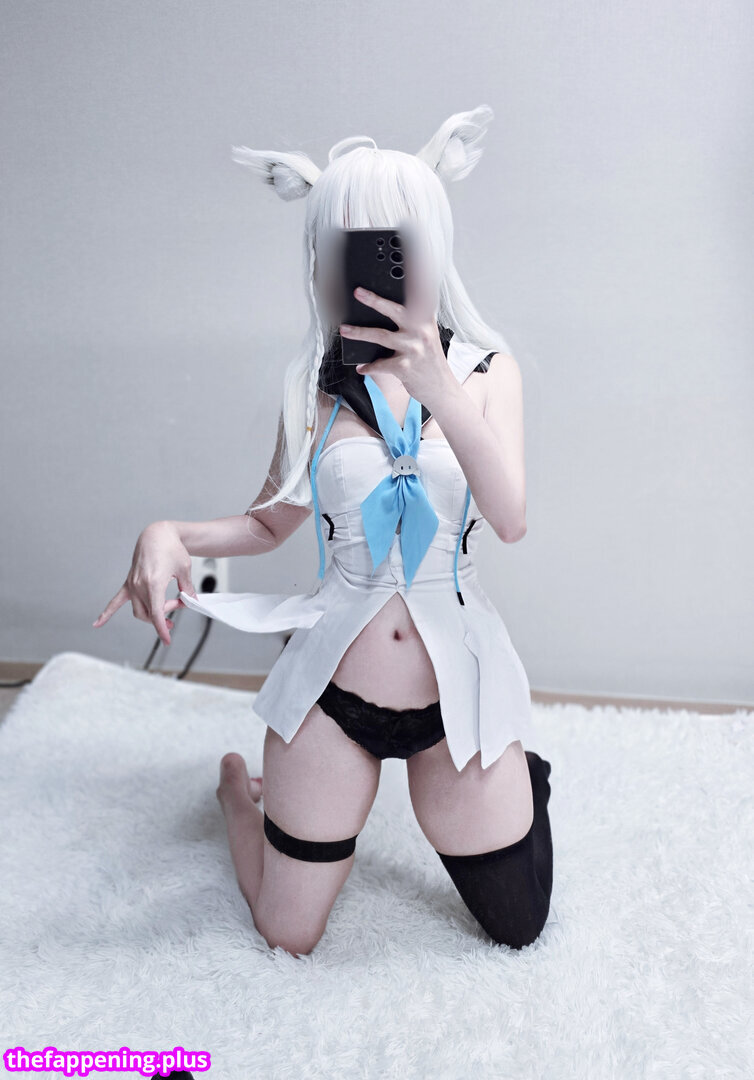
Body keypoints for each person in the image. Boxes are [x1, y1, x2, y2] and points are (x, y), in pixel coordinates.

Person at [94, 104, 554, 956]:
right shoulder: (315, 386)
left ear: (432, 245)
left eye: (395, 242)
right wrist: (169, 534)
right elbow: (270, 522)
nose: (371, 264)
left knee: (518, 924)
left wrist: (439, 387)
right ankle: (239, 795)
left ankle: (523, 782)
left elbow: (512, 518)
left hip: (458, 691)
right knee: (287, 933)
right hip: (332, 694)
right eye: (346, 245)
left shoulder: (490, 372)